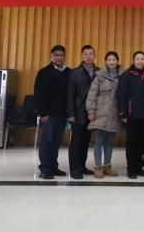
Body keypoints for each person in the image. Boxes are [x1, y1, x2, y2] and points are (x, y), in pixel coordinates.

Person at [34, 45, 72, 179]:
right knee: (46, 141)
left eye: (61, 55)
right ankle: (45, 168)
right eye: (56, 55)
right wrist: (42, 113)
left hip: (62, 114)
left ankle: (53, 166)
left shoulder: (69, 72)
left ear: (64, 56)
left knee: (56, 141)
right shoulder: (44, 72)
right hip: (48, 115)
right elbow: (39, 94)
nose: (59, 57)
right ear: (51, 56)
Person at [86, 51, 123, 178]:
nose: (111, 62)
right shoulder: (99, 76)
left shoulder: (123, 76)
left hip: (114, 114)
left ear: (117, 61)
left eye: (114, 59)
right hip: (100, 113)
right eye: (109, 60)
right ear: (106, 62)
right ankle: (98, 167)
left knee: (109, 142)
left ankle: (107, 167)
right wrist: (91, 111)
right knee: (99, 142)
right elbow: (92, 94)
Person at [118, 51, 144, 179]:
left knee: (143, 143)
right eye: (137, 59)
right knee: (132, 143)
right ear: (133, 60)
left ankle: (139, 168)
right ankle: (131, 169)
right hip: (131, 115)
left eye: (142, 59)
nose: (140, 61)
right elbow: (121, 95)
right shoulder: (126, 75)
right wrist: (123, 114)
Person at [66, 44, 99, 179]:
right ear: (81, 56)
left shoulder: (99, 71)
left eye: (91, 53)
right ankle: (74, 169)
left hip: (92, 113)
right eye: (85, 54)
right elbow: (70, 94)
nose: (88, 56)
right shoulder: (74, 72)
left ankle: (82, 166)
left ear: (94, 55)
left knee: (86, 140)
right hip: (78, 112)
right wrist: (70, 113)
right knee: (76, 141)